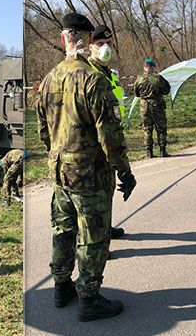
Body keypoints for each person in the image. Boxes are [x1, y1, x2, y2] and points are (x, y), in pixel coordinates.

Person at [37, 12, 136, 322]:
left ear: (64, 38)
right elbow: (110, 135)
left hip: (59, 173)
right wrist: (124, 170)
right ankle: (89, 298)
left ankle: (60, 287)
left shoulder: (48, 79)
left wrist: (58, 155)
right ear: (88, 39)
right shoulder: (94, 80)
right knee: (93, 236)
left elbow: (43, 131)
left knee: (63, 231)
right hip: (90, 175)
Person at [88, 24, 127, 239]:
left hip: (111, 136)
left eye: (109, 44)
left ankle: (106, 227)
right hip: (95, 142)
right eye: (100, 43)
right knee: (94, 194)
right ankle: (94, 241)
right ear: (90, 46)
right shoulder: (90, 73)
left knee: (107, 188)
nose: (105, 48)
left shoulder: (109, 74)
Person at [134, 58, 171, 157]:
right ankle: (163, 150)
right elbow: (167, 90)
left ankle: (149, 151)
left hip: (144, 107)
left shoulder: (139, 79)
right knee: (161, 128)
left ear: (144, 67)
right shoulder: (158, 78)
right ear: (153, 67)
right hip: (157, 105)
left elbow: (136, 93)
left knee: (147, 129)